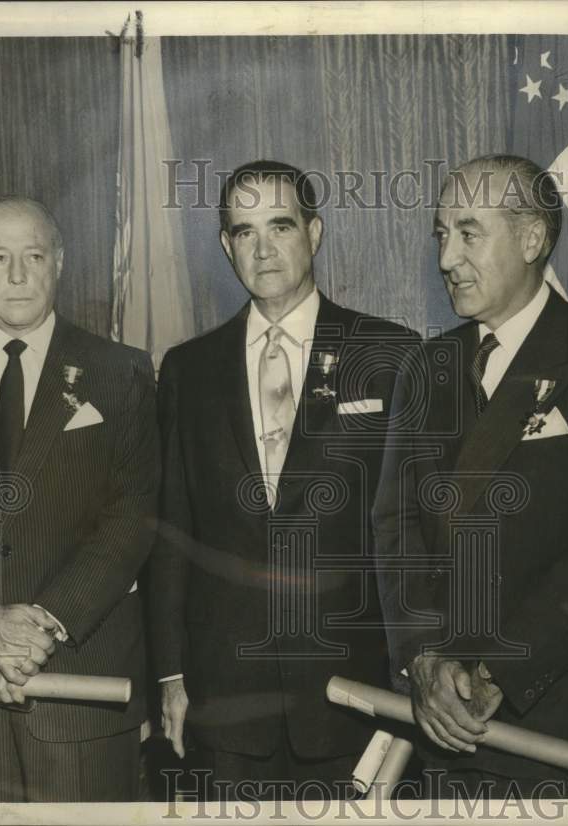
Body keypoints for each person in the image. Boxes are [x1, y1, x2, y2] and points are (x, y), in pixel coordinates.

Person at [372, 154, 568, 798]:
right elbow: (395, 531)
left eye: (469, 232)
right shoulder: (425, 368)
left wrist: (495, 671)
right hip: (438, 723)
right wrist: (424, 658)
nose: (447, 259)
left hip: (552, 722)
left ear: (532, 238)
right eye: (441, 234)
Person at [148, 160, 416, 800]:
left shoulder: (392, 354)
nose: (263, 249)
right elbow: (171, 529)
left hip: (356, 691)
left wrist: (414, 677)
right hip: (226, 699)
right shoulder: (188, 368)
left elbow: (417, 531)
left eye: (280, 225)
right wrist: (170, 676)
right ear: (225, 245)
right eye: (244, 232)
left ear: (315, 233)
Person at [0, 196, 159, 802]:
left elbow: (134, 517)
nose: (18, 275)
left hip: (82, 689)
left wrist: (38, 628)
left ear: (61, 262)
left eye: (34, 255)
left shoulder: (122, 371)